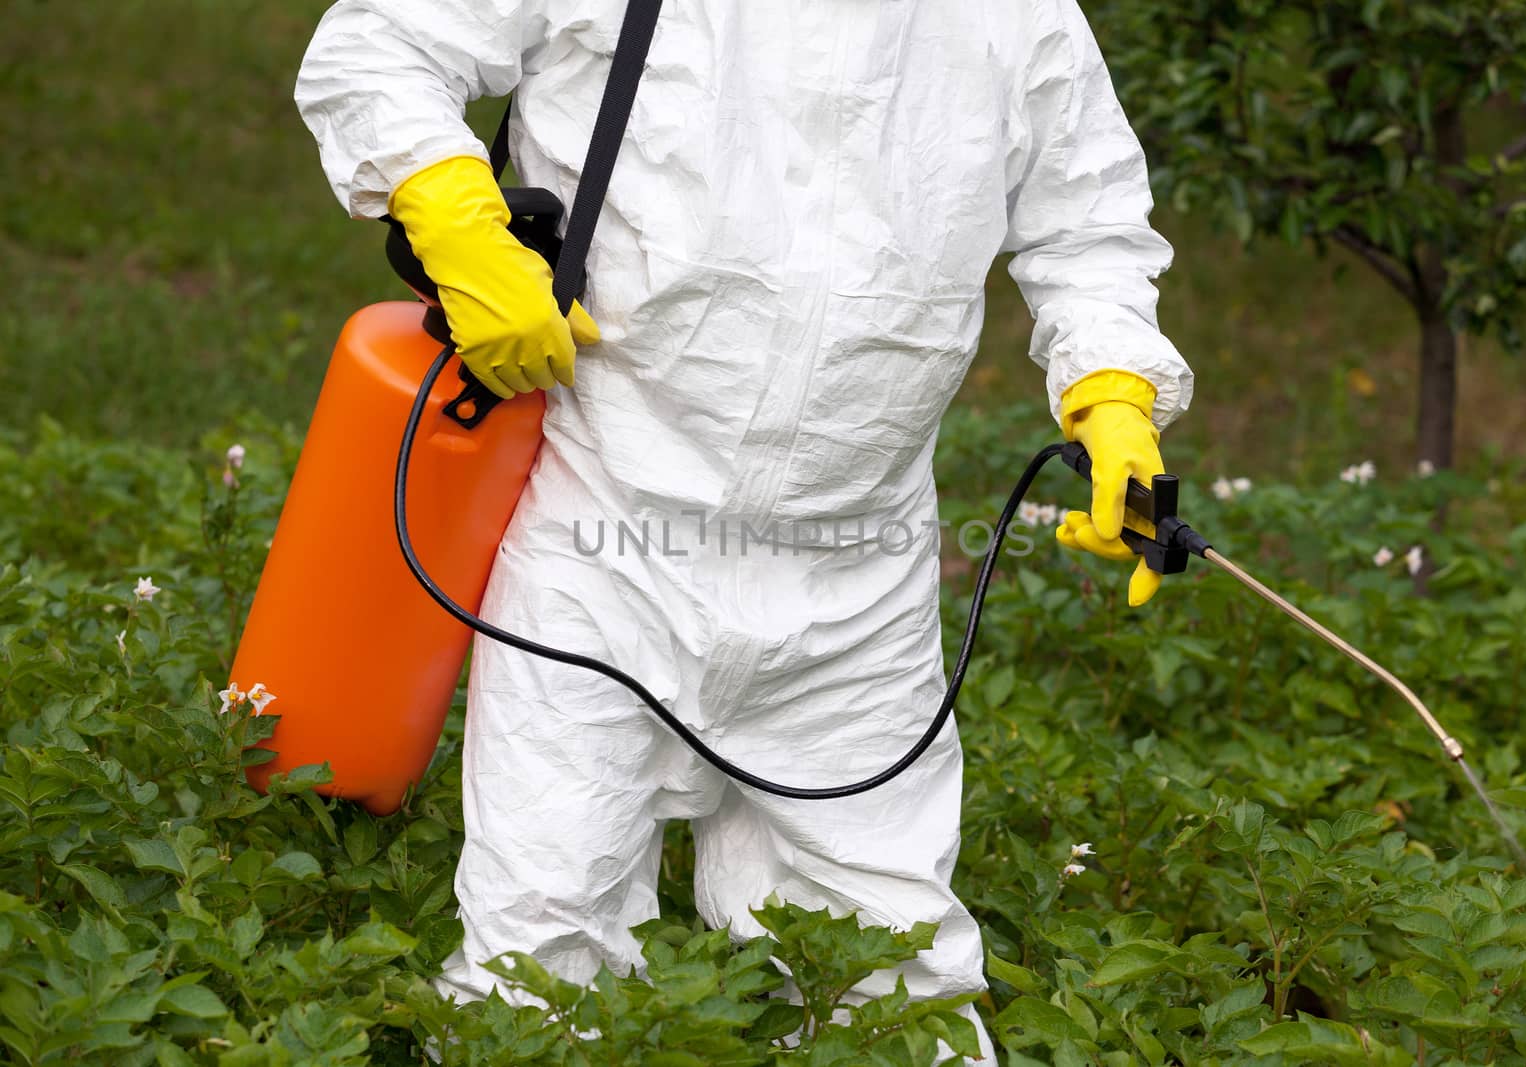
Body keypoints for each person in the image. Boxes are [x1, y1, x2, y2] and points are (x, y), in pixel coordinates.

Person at [297, 0, 1193, 1058]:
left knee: (896, 993)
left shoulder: (1015, 14)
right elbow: (380, 42)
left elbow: (1084, 223)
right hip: (602, 530)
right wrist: (455, 220)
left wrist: (1114, 395)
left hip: (857, 576)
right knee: (537, 968)